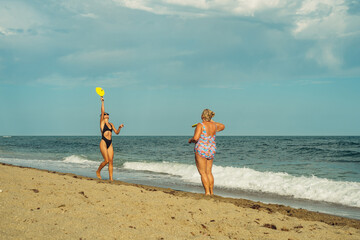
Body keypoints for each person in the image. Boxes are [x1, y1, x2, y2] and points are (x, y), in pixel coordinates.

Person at [188, 109, 225, 195]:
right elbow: (222, 126)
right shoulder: (214, 126)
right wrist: (211, 120)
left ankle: (207, 192)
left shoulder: (200, 125)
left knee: (203, 172)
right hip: (211, 149)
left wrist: (191, 140)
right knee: (209, 172)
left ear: (202, 116)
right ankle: (211, 192)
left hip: (201, 149)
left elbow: (196, 138)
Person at [96, 96, 124, 181]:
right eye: (105, 114)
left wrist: (119, 127)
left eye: (107, 114)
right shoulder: (102, 123)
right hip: (103, 142)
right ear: (103, 116)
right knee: (106, 160)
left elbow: (116, 133)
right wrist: (102, 102)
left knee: (111, 161)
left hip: (110, 143)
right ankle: (98, 171)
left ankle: (111, 178)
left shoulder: (111, 124)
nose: (107, 114)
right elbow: (102, 110)